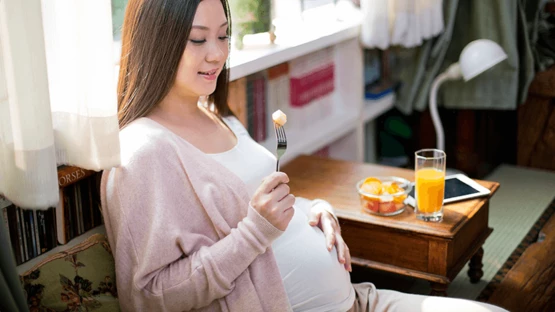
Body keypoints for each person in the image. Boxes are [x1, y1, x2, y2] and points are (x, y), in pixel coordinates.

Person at [100, 0, 509, 311]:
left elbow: (259, 205)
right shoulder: (143, 153)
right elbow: (148, 297)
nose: (217, 53)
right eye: (198, 38)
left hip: (358, 299)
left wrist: (314, 210)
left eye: (223, 35)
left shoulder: (213, 113)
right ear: (158, 41)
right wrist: (254, 232)